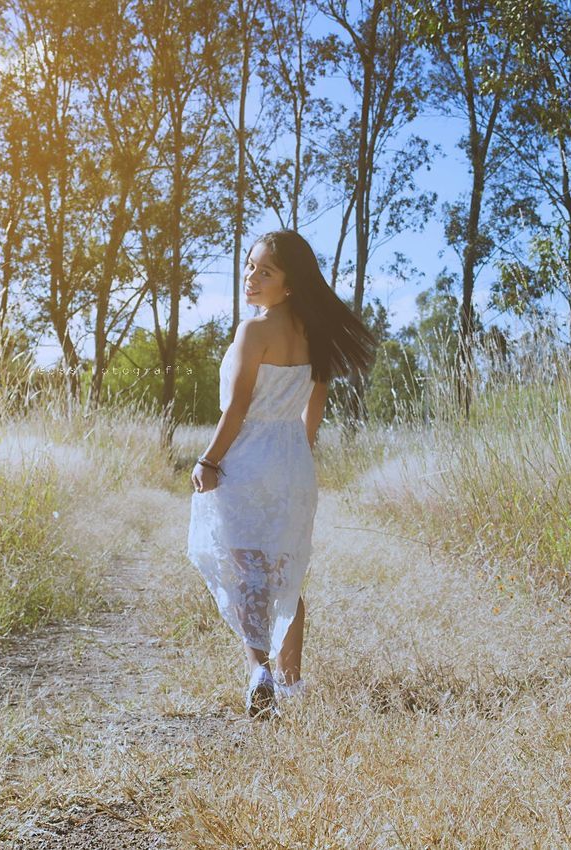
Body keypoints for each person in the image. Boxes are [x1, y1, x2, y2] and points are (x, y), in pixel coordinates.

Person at [186, 230, 377, 718]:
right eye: (250, 266)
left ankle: (259, 672)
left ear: (289, 285)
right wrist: (297, 454)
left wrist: (208, 460)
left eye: (264, 271)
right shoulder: (315, 336)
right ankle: (292, 686)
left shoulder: (254, 331)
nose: (250, 277)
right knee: (285, 575)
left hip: (247, 458)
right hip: (292, 462)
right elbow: (315, 408)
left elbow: (237, 409)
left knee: (247, 572)